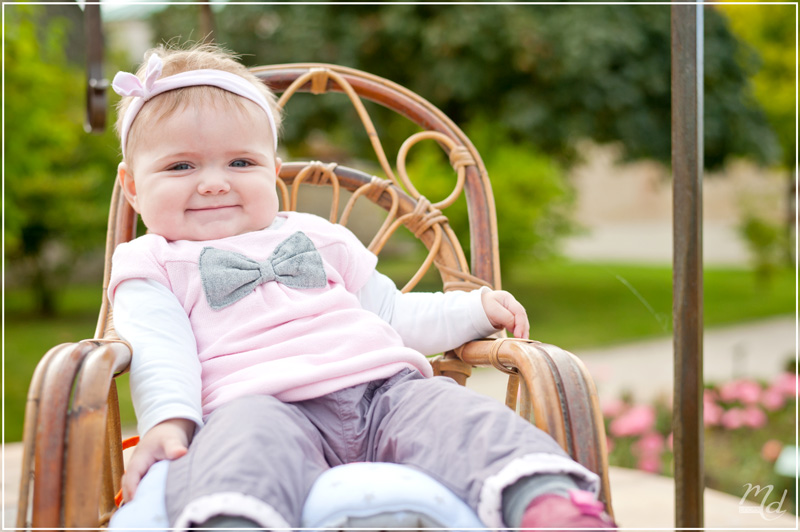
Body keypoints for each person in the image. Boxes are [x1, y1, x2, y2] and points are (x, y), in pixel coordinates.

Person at [108, 42, 615, 530]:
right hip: (259, 404)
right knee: (243, 449)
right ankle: (234, 519)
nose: (215, 182)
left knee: (454, 415)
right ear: (133, 186)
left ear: (274, 172)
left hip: (383, 393)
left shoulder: (318, 237)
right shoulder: (151, 262)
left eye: (241, 162)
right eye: (180, 166)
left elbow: (391, 314)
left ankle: (543, 501)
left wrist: (475, 310)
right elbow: (160, 353)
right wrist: (168, 422)